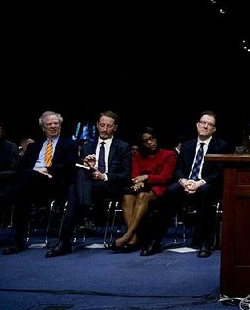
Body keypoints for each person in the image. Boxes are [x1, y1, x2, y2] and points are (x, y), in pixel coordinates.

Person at [46, 110, 132, 257]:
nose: (104, 129)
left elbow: (126, 175)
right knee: (78, 177)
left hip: (108, 186)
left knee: (74, 190)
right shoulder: (87, 146)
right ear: (97, 125)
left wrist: (103, 175)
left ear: (115, 128)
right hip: (88, 186)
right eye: (102, 125)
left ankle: (66, 240)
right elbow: (79, 170)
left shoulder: (123, 147)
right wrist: (88, 166)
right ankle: (85, 213)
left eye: (109, 126)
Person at [0, 111, 77, 255]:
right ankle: (18, 243)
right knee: (22, 194)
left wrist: (47, 169)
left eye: (56, 123)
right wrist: (36, 172)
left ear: (60, 125)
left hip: (55, 183)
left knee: (24, 182)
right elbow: (21, 167)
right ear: (43, 127)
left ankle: (3, 205)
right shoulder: (34, 146)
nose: (53, 126)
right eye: (49, 124)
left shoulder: (69, 144)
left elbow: (69, 166)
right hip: (33, 184)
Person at [164, 111, 228, 258]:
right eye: (203, 123)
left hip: (205, 184)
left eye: (209, 124)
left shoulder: (221, 146)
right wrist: (183, 181)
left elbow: (218, 173)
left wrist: (198, 183)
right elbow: (178, 169)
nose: (205, 126)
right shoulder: (187, 146)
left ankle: (205, 241)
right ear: (197, 125)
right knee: (171, 191)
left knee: (206, 191)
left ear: (214, 129)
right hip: (186, 182)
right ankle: (155, 240)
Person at [115, 126, 176, 256]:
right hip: (141, 186)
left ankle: (128, 235)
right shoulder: (138, 155)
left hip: (159, 188)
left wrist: (147, 178)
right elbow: (135, 174)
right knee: (127, 197)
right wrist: (138, 181)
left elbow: (166, 177)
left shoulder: (168, 154)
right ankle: (134, 238)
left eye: (151, 139)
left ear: (157, 139)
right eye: (145, 141)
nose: (149, 142)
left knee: (142, 196)